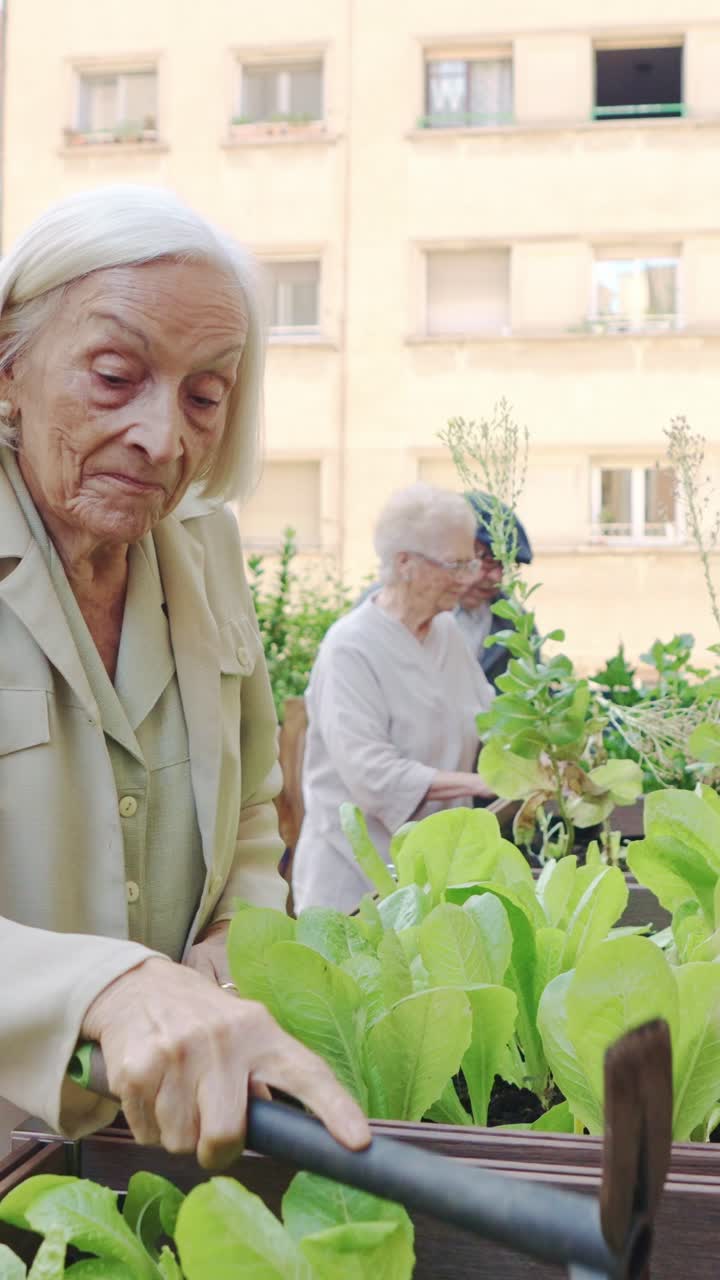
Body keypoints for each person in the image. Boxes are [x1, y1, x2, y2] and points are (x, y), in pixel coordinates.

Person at [0, 186, 369, 1166]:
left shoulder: (202, 549)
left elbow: (251, 804)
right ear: (10, 365)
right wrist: (106, 985)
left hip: (142, 1149)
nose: (166, 438)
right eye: (116, 374)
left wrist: (230, 941)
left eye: (206, 395)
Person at [292, 484, 495, 914]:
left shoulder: (447, 634)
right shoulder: (350, 649)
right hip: (353, 888)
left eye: (470, 562)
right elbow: (374, 777)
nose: (470, 577)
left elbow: (490, 718)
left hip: (428, 883)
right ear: (405, 564)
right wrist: (479, 784)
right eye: (455, 564)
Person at [454, 492, 534, 687]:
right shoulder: (398, 606)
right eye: (489, 560)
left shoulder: (514, 623)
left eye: (505, 565)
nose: (496, 578)